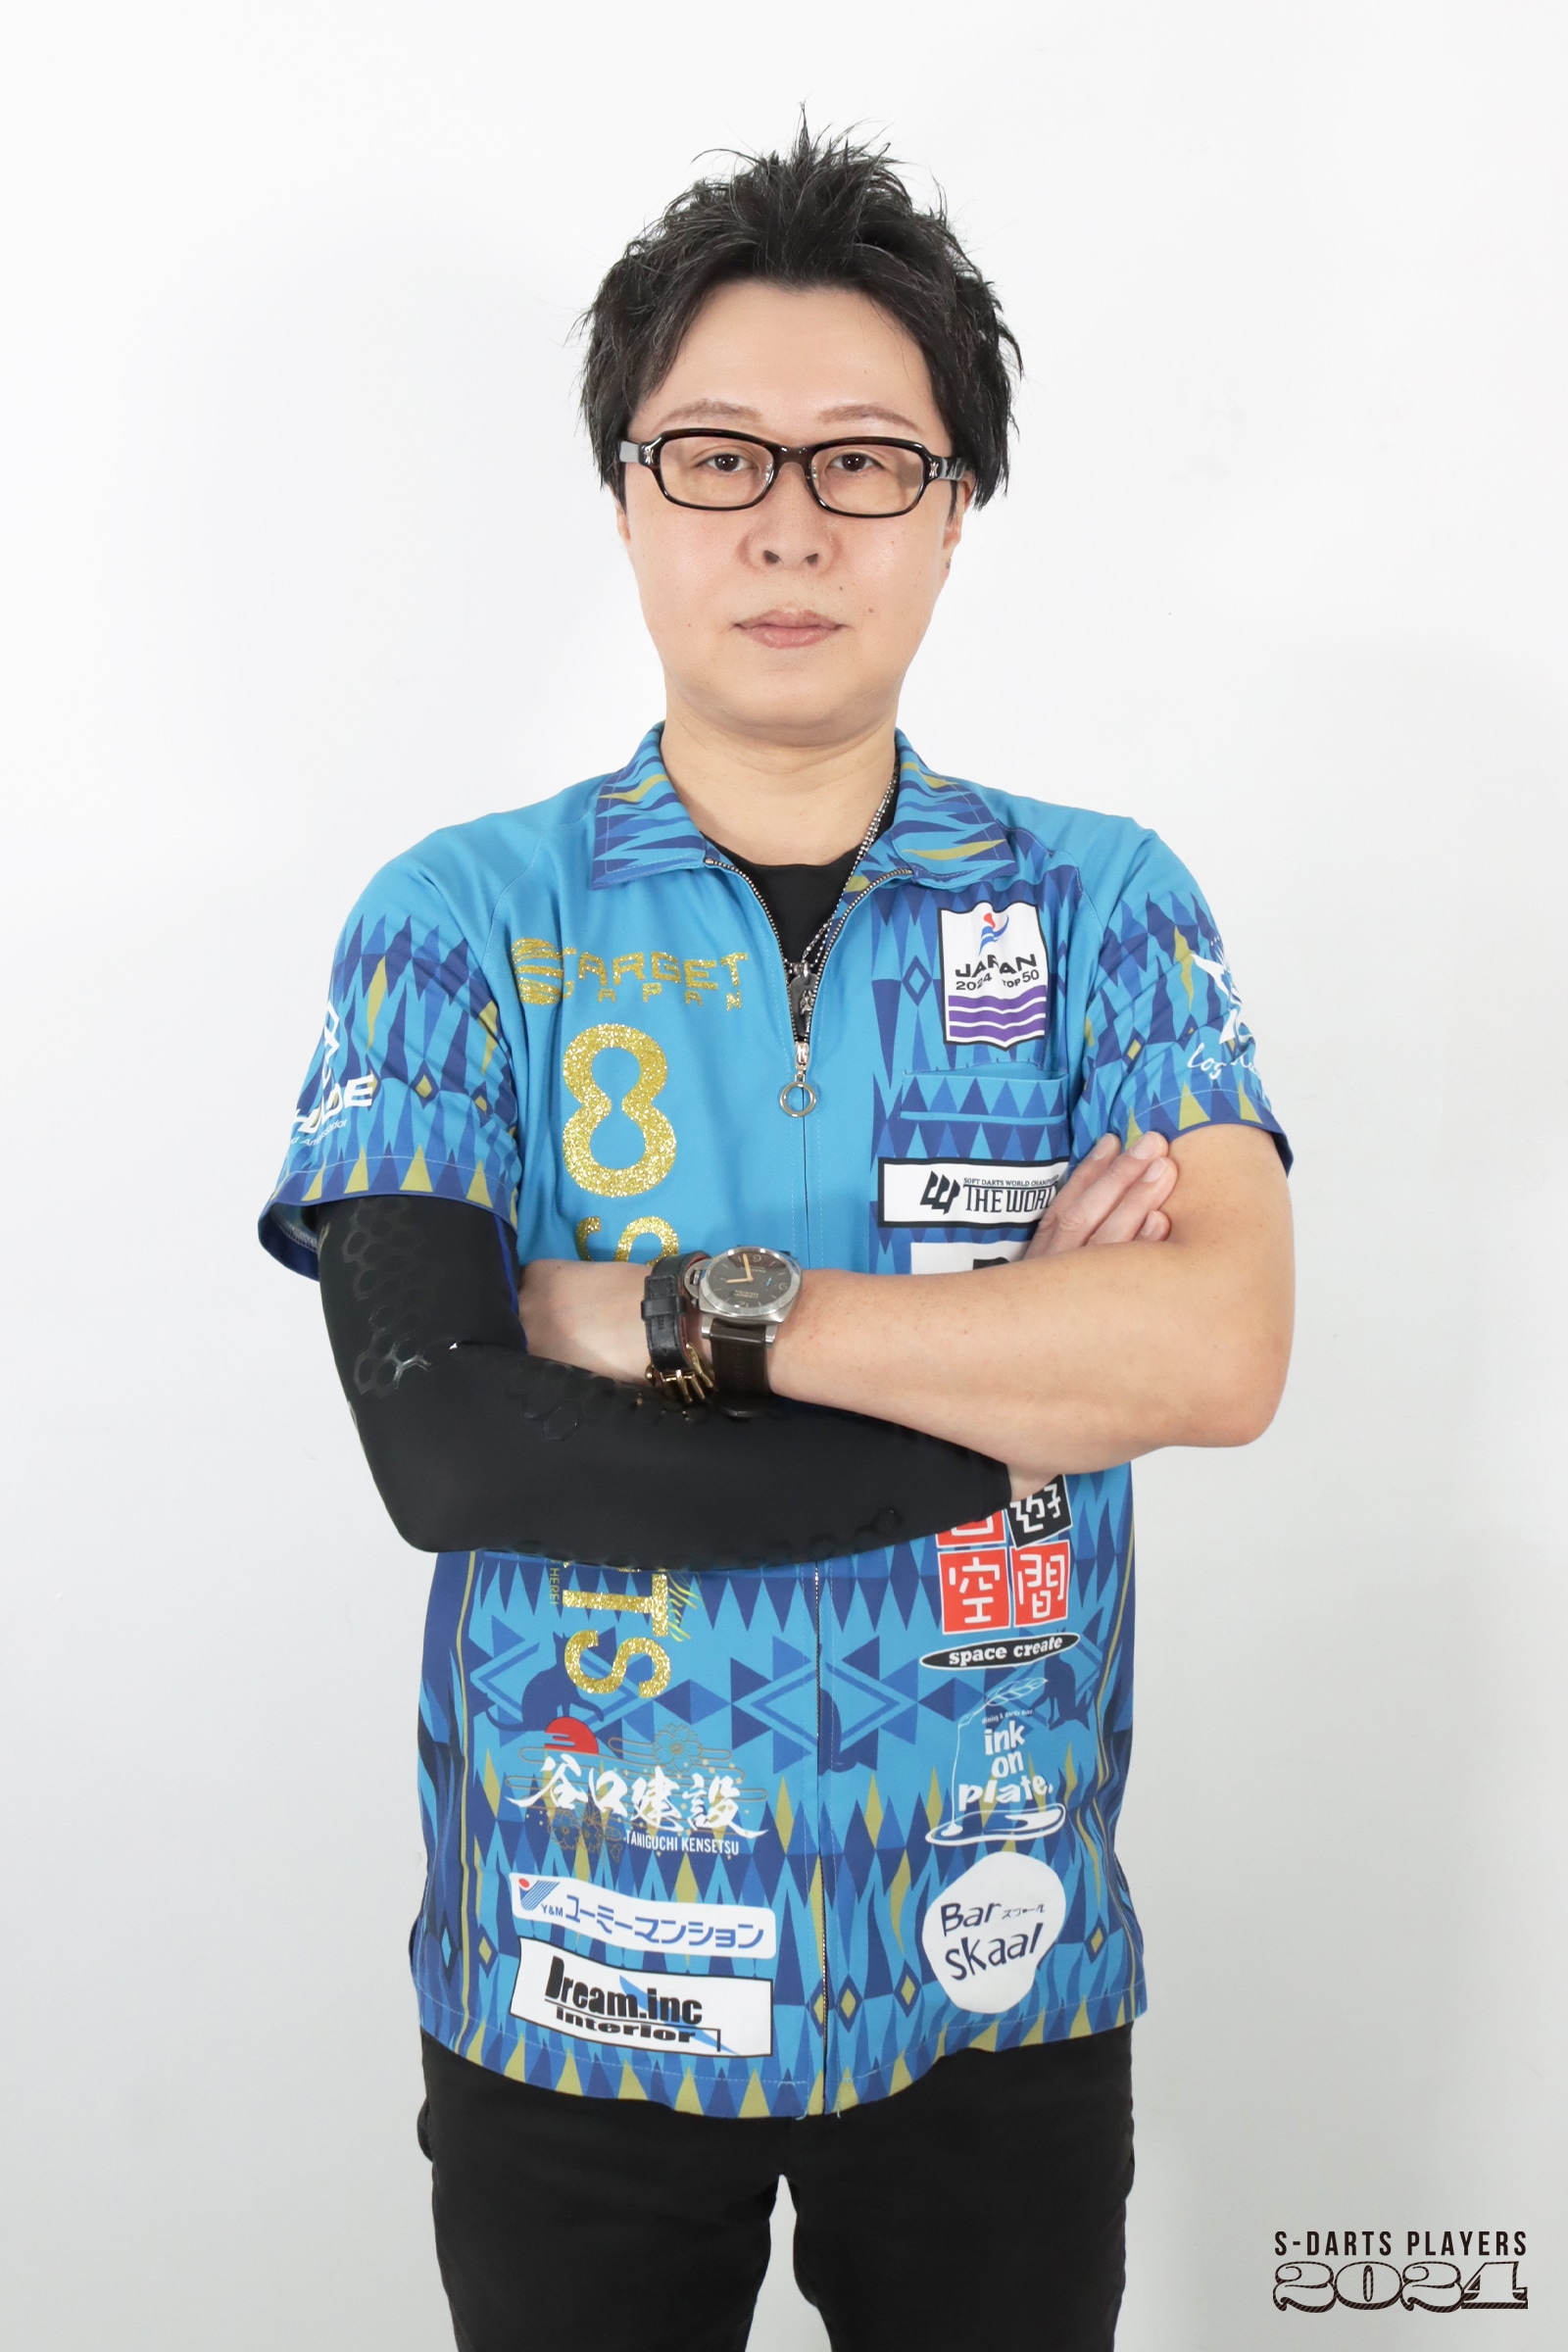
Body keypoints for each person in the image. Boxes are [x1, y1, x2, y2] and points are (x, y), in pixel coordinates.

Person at [261, 126, 1293, 2352]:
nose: (791, 523)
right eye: (720, 455)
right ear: (628, 495)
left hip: (1002, 1967)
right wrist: (1018, 1380)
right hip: (573, 1981)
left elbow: (1216, 1353)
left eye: (867, 462)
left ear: (955, 507)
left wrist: (652, 1315)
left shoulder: (1105, 906)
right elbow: (452, 1445)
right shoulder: (457, 924)